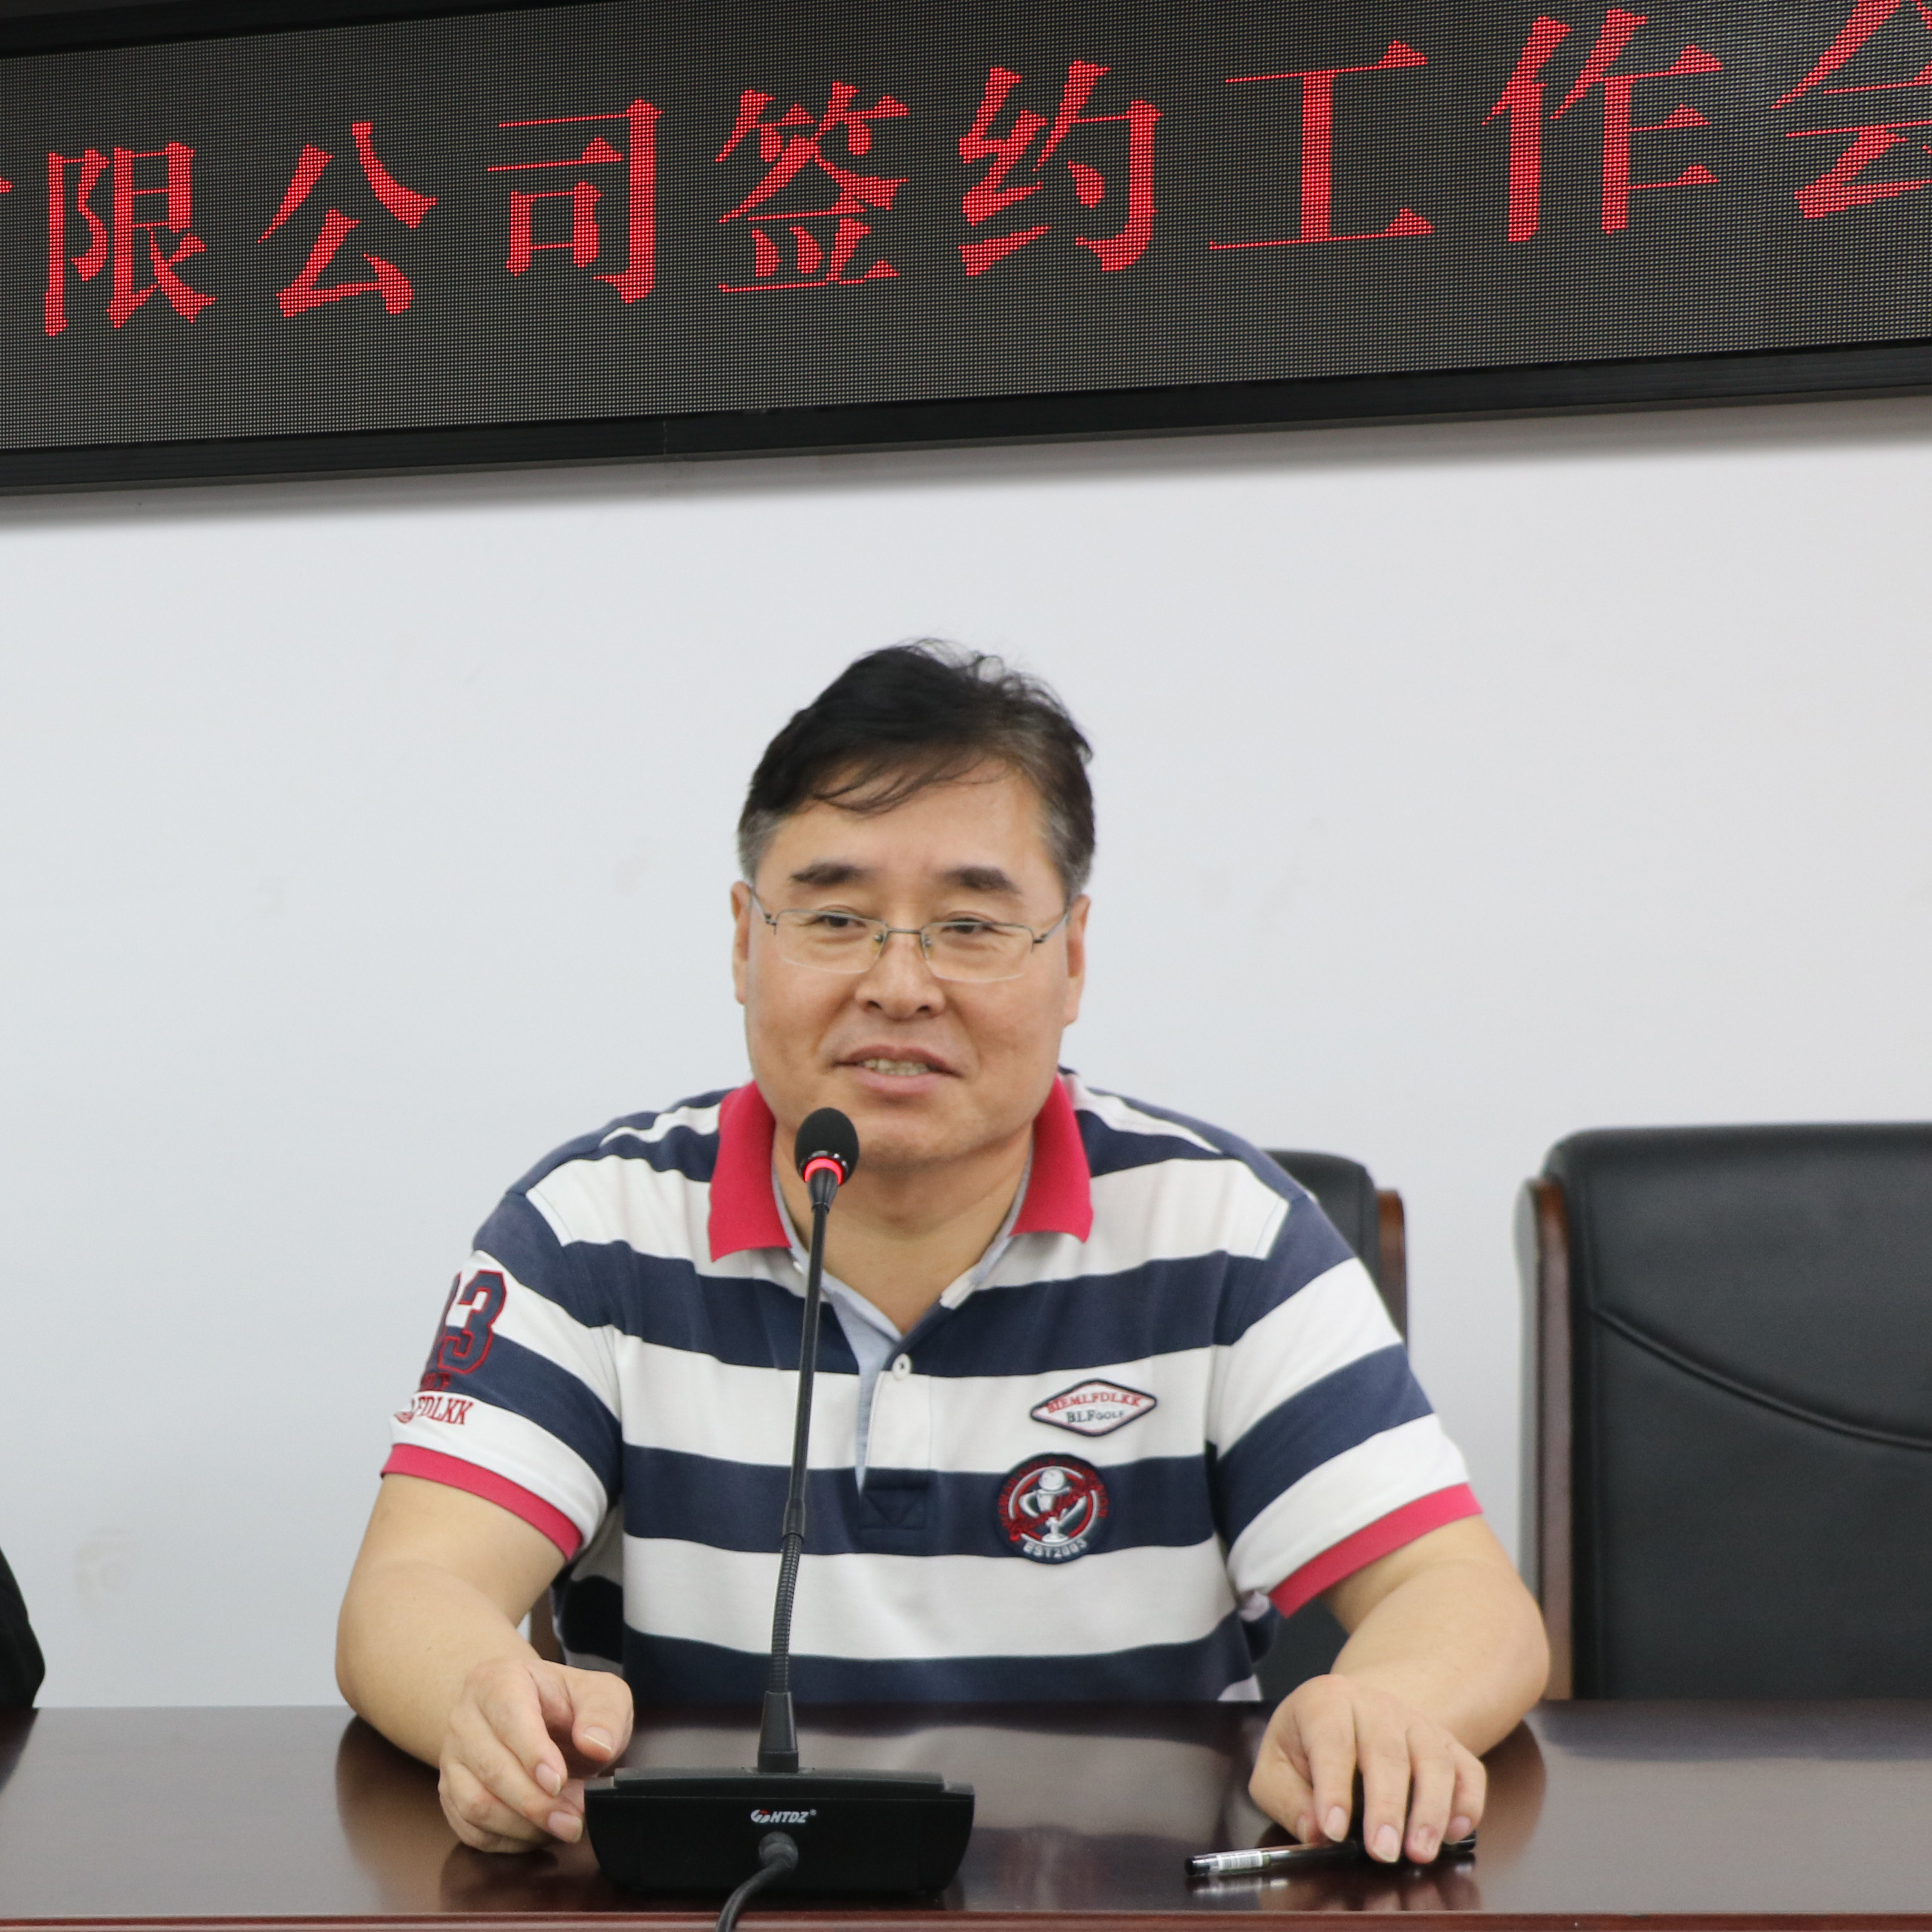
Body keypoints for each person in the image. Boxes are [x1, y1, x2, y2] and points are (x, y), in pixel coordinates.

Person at [337, 642, 1548, 1864]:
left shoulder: (1227, 1236)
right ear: (744, 941)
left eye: (970, 924)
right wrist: (483, 1699)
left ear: (1072, 956)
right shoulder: (589, 1230)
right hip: (712, 1905)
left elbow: (1462, 1600)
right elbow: (413, 1587)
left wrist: (1381, 1708)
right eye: (835, 917)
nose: (901, 983)